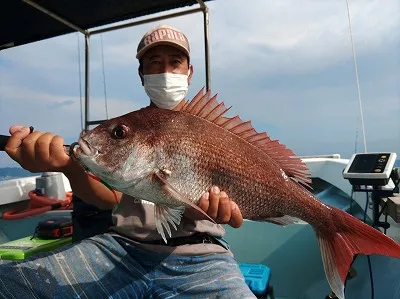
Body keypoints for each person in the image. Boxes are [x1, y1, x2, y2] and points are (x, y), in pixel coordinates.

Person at [1, 24, 256, 298]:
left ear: (189, 72)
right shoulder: (129, 129)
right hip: (122, 248)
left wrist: (206, 209)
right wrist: (68, 166)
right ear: (141, 74)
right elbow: (111, 198)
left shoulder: (216, 132)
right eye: (154, 63)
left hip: (202, 253)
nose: (165, 71)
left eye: (175, 63)